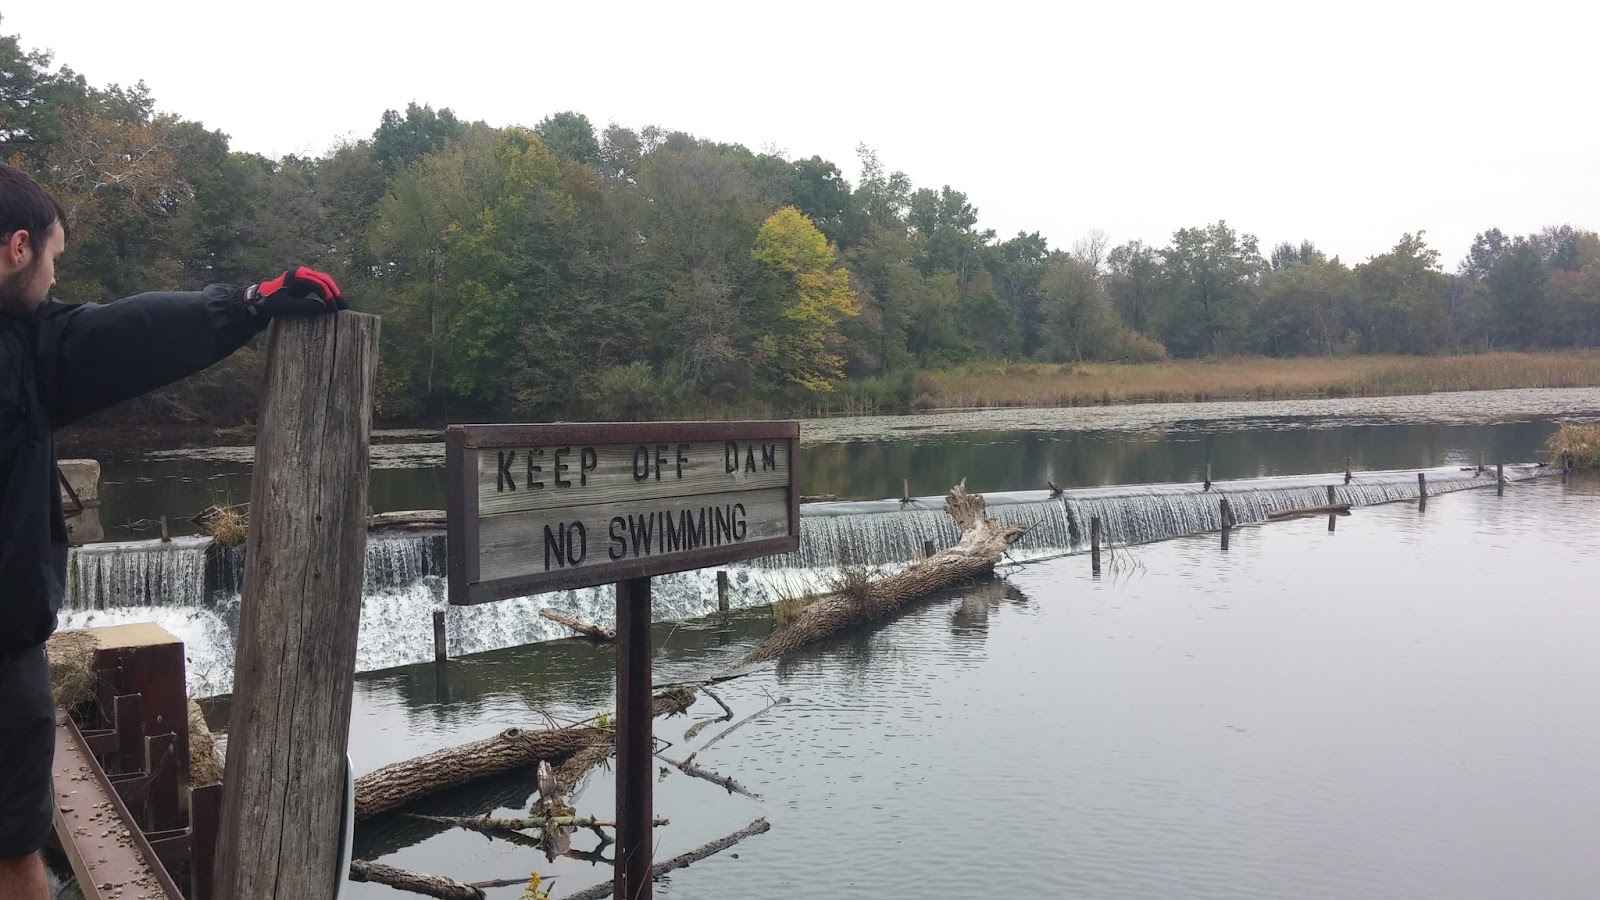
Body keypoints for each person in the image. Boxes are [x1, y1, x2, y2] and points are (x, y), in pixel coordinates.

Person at [0, 162, 345, 899]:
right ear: (17, 248)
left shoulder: (25, 348)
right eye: (55, 258)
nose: (57, 280)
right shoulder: (21, 353)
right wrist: (251, 303)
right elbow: (122, 334)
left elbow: (123, 332)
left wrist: (247, 303)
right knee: (12, 848)